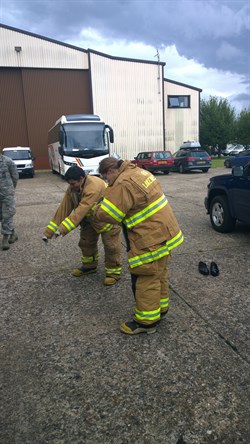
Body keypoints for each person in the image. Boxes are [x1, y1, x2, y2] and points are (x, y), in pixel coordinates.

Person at [94, 158, 184, 335]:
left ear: (111, 171)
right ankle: (161, 309)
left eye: (106, 178)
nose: (107, 182)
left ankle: (146, 322)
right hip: (165, 232)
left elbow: (110, 214)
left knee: (146, 277)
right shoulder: (139, 172)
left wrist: (96, 209)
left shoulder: (123, 183)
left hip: (150, 238)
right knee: (159, 273)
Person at [43, 165, 122, 286]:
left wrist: (62, 229)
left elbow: (81, 210)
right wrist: (49, 231)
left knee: (111, 247)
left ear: (81, 179)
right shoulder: (73, 188)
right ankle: (89, 267)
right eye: (70, 184)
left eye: (73, 183)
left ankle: (113, 273)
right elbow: (64, 208)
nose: (71, 186)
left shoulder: (93, 187)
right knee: (86, 243)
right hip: (89, 220)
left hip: (107, 220)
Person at [0, 148, 19, 250]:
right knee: (1, 216)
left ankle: (5, 238)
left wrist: (10, 190)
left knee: (7, 215)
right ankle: (13, 233)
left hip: (6, 194)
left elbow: (15, 176)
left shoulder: (8, 161)